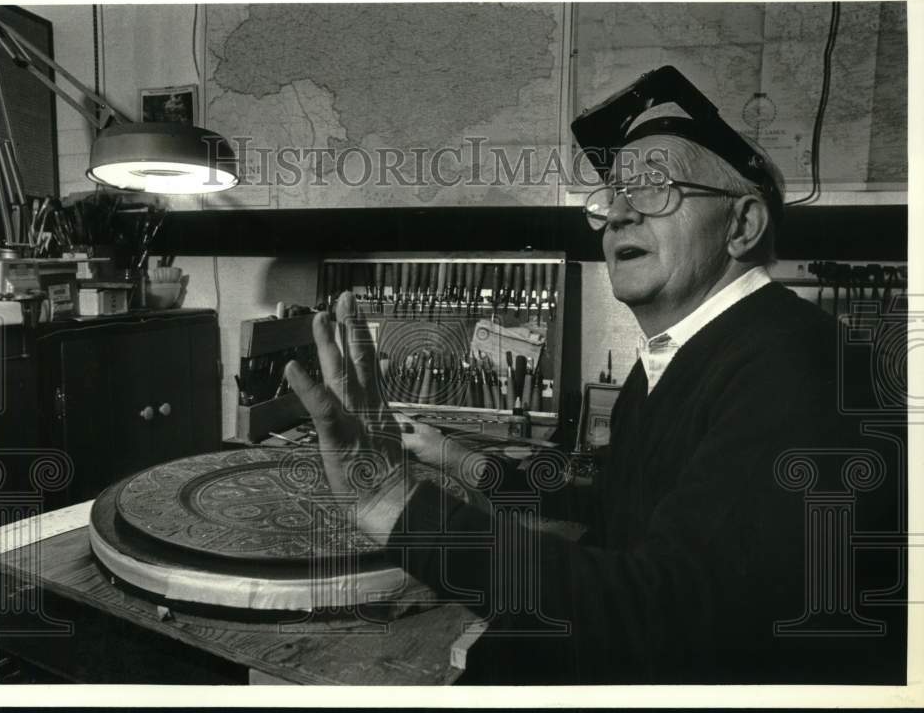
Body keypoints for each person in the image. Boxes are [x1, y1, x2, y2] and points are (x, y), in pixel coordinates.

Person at [284, 103, 903, 684]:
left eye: (656, 188)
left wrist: (393, 502)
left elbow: (666, 617)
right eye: (614, 197)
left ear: (741, 224)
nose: (620, 216)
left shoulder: (802, 369)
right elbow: (613, 502)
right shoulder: (677, 359)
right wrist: (455, 456)